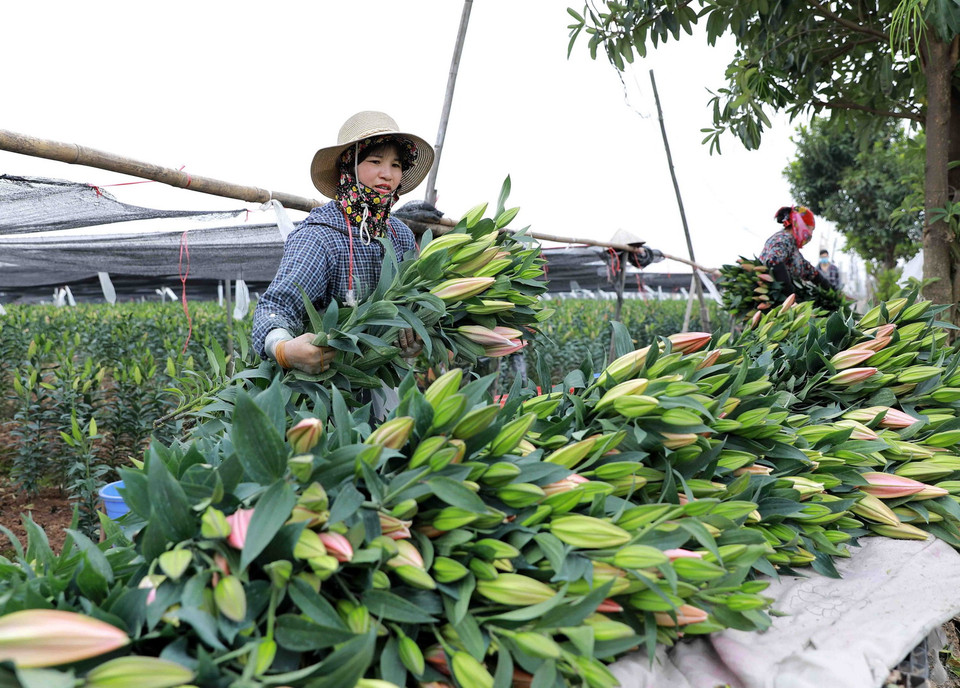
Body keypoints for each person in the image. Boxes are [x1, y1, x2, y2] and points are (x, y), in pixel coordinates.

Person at [252, 111, 435, 374]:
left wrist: (412, 333)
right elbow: (276, 306)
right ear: (348, 165)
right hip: (320, 385)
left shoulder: (400, 235)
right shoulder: (320, 236)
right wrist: (283, 348)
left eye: (396, 164)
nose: (388, 174)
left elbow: (408, 305)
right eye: (375, 161)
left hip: (379, 380)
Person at [758, 206, 832, 293]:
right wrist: (789, 294)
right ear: (799, 223)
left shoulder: (793, 249)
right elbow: (774, 261)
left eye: (812, 230)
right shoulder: (783, 239)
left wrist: (835, 292)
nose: (810, 234)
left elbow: (810, 272)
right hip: (770, 296)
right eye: (809, 228)